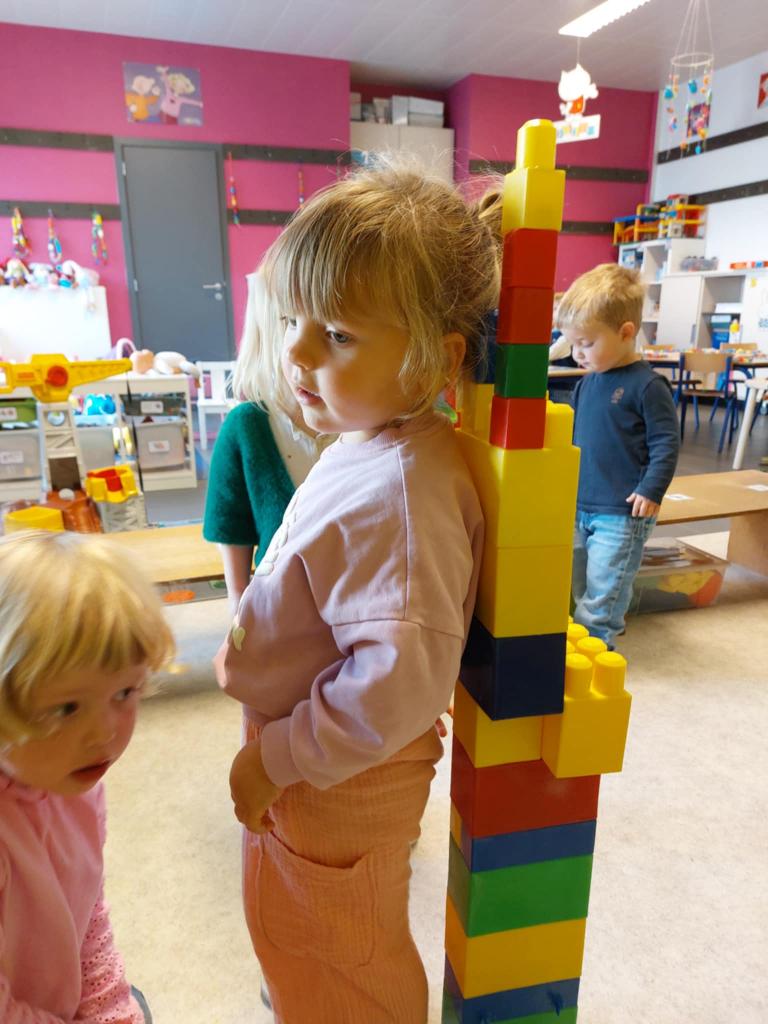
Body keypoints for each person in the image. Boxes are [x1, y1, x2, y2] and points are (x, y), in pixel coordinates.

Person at [215, 160, 501, 1023]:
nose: (297, 353)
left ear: (435, 360)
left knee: (347, 965)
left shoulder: (405, 495)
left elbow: (394, 685)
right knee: (305, 937)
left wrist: (275, 759)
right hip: (318, 755)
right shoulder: (371, 440)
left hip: (337, 773)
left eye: (337, 335)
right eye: (293, 321)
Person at [0, 530, 174, 1023]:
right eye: (66, 708)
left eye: (125, 693)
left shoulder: (73, 782)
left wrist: (108, 1007)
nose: (105, 734)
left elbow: (85, 909)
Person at [557, 263, 680, 649]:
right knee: (580, 586)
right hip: (581, 505)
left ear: (626, 332)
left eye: (586, 343)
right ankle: (589, 640)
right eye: (572, 344)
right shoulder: (588, 383)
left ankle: (598, 651)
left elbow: (666, 443)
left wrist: (651, 489)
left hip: (622, 512)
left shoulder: (648, 386)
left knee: (603, 592)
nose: (576, 354)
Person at [203, 270, 331, 613]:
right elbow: (232, 529)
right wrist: (239, 609)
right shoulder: (247, 427)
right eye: (290, 323)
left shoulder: (367, 424)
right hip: (280, 613)